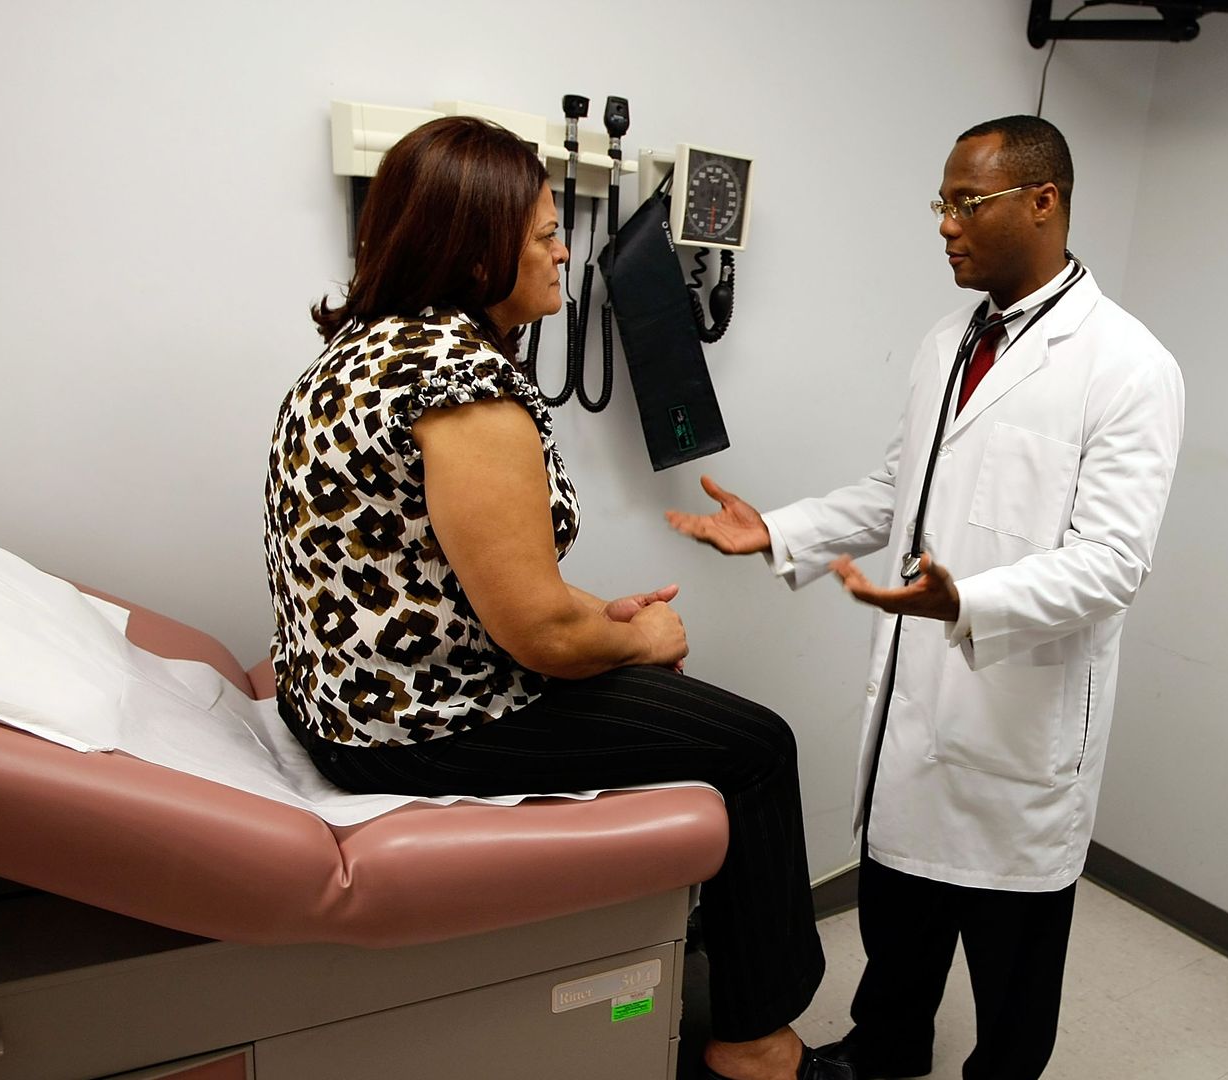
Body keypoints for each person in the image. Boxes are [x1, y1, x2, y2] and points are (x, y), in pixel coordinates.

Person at [264, 116, 849, 1080]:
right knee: (756, 747)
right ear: (476, 244)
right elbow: (536, 630)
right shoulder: (460, 384)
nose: (563, 250)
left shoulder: (354, 356)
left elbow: (447, 575)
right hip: (419, 723)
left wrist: (594, 623)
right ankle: (757, 1045)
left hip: (338, 698)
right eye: (542, 233)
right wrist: (642, 636)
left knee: (676, 699)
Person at [668, 115, 1185, 1080]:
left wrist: (968, 601)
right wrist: (778, 530)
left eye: (966, 203)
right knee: (897, 935)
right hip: (917, 706)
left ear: (1044, 202)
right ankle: (883, 1053)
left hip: (1020, 725)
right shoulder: (950, 338)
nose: (944, 225)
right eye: (940, 204)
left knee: (1011, 978)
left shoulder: (1127, 365)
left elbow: (1115, 561)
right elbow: (894, 493)